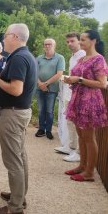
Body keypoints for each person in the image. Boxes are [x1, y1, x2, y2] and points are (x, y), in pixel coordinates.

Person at [0, 23, 37, 214]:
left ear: (15, 37)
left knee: (13, 160)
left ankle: (15, 208)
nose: (2, 39)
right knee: (20, 156)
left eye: (5, 35)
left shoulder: (18, 58)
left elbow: (16, 89)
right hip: (20, 112)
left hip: (13, 113)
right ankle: (19, 196)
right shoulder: (25, 56)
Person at [64, 30, 108, 182]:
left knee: (89, 137)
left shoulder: (98, 59)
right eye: (80, 40)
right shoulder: (83, 58)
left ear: (93, 41)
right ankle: (82, 166)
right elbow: (78, 77)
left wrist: (80, 80)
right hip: (78, 100)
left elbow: (102, 84)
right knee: (81, 136)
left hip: (89, 102)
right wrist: (71, 80)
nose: (80, 42)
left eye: (83, 40)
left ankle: (89, 172)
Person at [54, 33, 85, 162]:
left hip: (80, 94)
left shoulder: (83, 56)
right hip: (71, 92)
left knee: (78, 124)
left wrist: (72, 79)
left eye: (72, 41)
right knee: (70, 121)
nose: (69, 44)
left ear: (79, 41)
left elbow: (83, 77)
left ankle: (78, 152)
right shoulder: (72, 57)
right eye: (67, 42)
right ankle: (71, 147)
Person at [36, 38, 65, 140]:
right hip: (39, 88)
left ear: (54, 46)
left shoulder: (60, 58)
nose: (47, 46)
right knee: (40, 110)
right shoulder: (39, 58)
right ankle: (41, 129)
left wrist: (46, 84)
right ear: (43, 46)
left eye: (50, 44)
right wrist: (40, 84)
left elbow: (59, 74)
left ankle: (48, 130)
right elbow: (34, 72)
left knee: (49, 111)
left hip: (52, 89)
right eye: (45, 44)